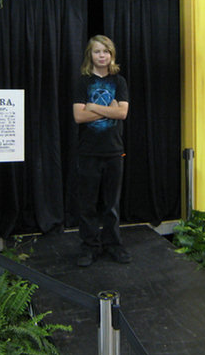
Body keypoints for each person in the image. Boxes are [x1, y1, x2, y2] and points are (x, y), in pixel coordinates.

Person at [73, 35, 130, 267]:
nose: (102, 56)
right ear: (91, 55)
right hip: (88, 152)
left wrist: (93, 107)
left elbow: (122, 113)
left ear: (112, 55)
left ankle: (113, 245)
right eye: (97, 52)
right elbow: (79, 116)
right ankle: (90, 247)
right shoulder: (82, 82)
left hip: (114, 151)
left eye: (106, 51)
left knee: (111, 205)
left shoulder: (120, 82)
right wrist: (109, 108)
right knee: (87, 205)